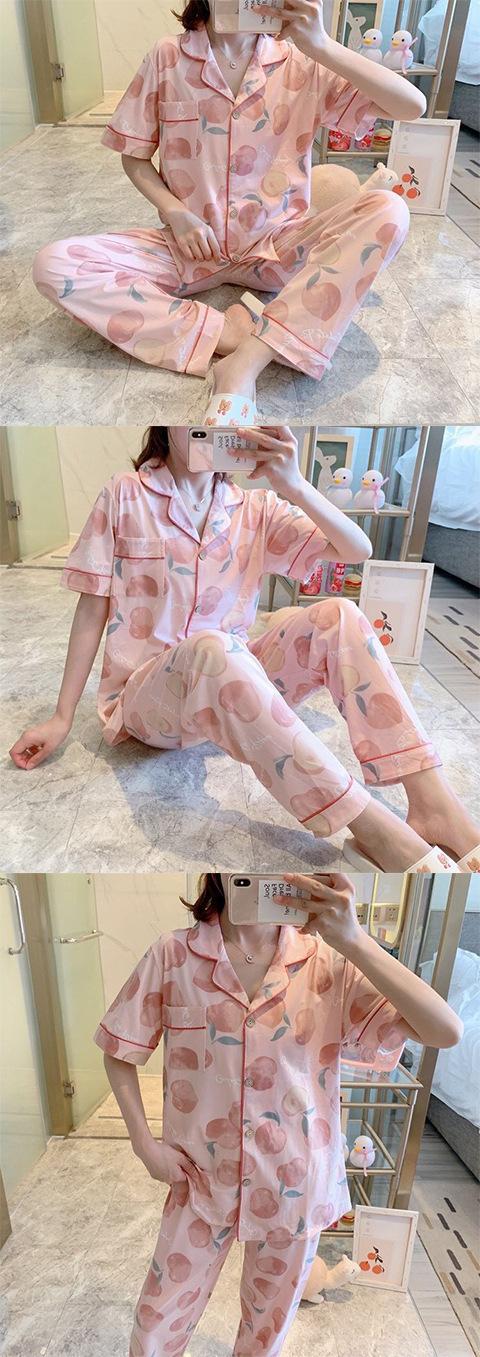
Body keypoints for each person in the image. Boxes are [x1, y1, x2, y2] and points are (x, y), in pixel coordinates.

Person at [9, 426, 480, 871]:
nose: (213, 430)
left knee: (339, 615)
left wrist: (293, 484)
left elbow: (356, 550)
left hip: (231, 687)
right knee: (214, 647)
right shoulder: (124, 493)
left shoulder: (255, 508)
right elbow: (92, 606)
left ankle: (434, 806)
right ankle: (373, 827)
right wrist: (62, 716)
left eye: (227, 422)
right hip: (150, 701)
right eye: (197, 421)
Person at [95, 870, 462, 1356]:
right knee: (156, 1324)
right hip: (199, 1180)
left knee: (265, 1334)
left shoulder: (328, 962)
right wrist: (145, 1146)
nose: (258, 871)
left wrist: (353, 939)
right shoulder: (173, 955)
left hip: (296, 1184)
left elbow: (444, 1031)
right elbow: (118, 1049)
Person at [32, 0, 426, 423]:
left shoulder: (303, 62)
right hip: (189, 248)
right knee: (54, 264)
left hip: (277, 249)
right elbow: (135, 157)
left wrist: (322, 46)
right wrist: (175, 212)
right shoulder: (168, 56)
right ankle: (228, 333)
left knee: (389, 208)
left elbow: (411, 107)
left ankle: (248, 360)